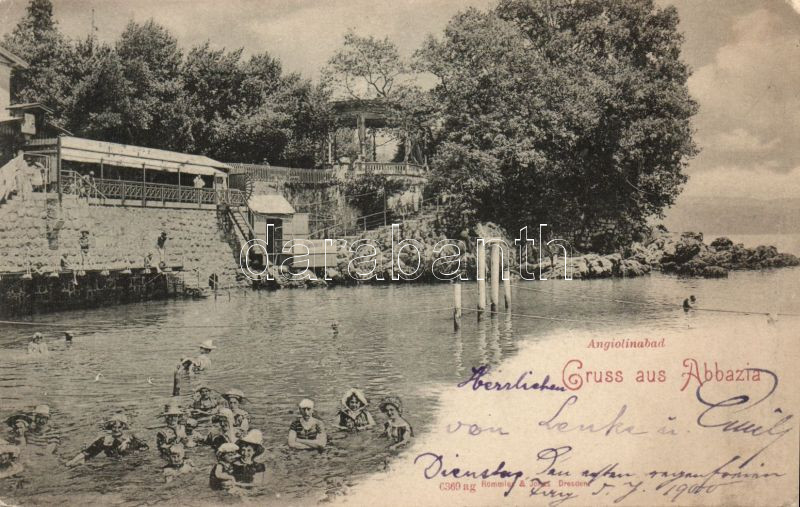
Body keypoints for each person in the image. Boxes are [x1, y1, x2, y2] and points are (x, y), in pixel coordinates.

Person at [66, 413, 148, 466]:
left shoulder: (131, 438)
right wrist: (73, 461)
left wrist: (129, 444)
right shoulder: (105, 440)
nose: (116, 430)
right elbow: (87, 452)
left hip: (130, 464)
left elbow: (145, 449)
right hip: (113, 465)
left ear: (123, 427)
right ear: (110, 427)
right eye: (114, 427)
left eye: (119, 427)